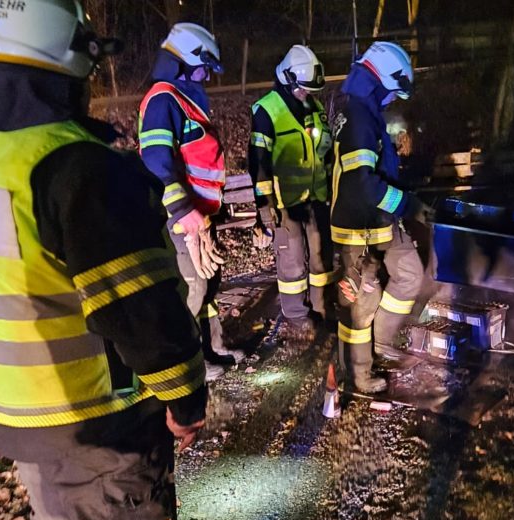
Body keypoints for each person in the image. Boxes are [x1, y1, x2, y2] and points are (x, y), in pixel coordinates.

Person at [0, 1, 206, 520]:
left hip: (16, 419)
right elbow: (140, 310)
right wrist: (185, 400)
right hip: (99, 430)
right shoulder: (79, 169)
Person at [331, 42, 434, 393]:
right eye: (392, 92)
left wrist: (406, 202)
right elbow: (363, 184)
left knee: (410, 273)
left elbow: (376, 173)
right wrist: (408, 205)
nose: (393, 101)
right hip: (359, 226)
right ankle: (358, 373)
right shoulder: (359, 117)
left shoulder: (365, 111)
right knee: (361, 303)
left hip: (380, 218)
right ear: (380, 80)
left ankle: (381, 340)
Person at [138, 22, 236, 380]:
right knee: (192, 286)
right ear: (183, 61)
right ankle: (185, 365)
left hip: (201, 215)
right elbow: (156, 161)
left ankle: (213, 346)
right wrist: (184, 211)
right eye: (203, 67)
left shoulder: (182, 99)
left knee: (209, 281)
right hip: (180, 217)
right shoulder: (163, 99)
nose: (206, 76)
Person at [249, 45, 335, 338]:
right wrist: (264, 206)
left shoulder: (314, 107)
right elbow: (258, 162)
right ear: (288, 78)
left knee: (321, 256)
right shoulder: (267, 110)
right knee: (293, 259)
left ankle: (322, 307)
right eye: (303, 88)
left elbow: (324, 151)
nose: (306, 93)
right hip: (284, 202)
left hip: (316, 197)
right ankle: (296, 314)